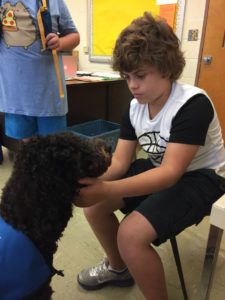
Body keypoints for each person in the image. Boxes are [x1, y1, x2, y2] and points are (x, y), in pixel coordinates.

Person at [76, 12, 225, 300]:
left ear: (166, 69)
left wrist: (107, 188)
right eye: (127, 76)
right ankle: (119, 269)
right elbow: (120, 162)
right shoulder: (135, 107)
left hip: (203, 178)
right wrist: (85, 183)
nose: (132, 85)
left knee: (131, 236)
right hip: (161, 167)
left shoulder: (193, 104)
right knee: (94, 207)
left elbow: (171, 173)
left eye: (140, 76)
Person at [0, 0, 80, 140]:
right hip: (15, 97)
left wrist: (60, 42)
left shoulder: (55, 2)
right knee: (27, 152)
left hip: (49, 97)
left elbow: (74, 37)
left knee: (54, 150)